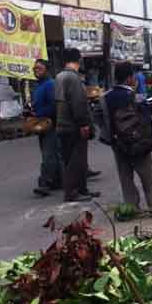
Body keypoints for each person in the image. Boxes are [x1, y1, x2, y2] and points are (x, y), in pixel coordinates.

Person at [103, 62, 152, 213]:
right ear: (129, 78)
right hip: (139, 145)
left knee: (126, 179)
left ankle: (132, 208)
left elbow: (102, 118)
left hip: (119, 145)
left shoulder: (106, 97)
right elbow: (145, 121)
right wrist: (151, 142)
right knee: (148, 178)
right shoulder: (134, 96)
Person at [55, 48, 99, 202]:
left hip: (63, 124)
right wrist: (84, 124)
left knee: (73, 160)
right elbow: (78, 103)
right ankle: (73, 192)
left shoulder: (59, 77)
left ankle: (82, 189)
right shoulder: (73, 78)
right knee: (76, 160)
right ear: (78, 60)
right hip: (73, 125)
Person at [32, 59, 62, 196]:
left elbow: (53, 106)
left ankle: (44, 183)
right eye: (35, 68)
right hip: (41, 125)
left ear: (46, 70)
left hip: (50, 124)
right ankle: (58, 180)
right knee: (52, 153)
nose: (36, 70)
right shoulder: (38, 86)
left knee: (48, 154)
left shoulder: (50, 84)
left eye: (39, 68)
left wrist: (40, 114)